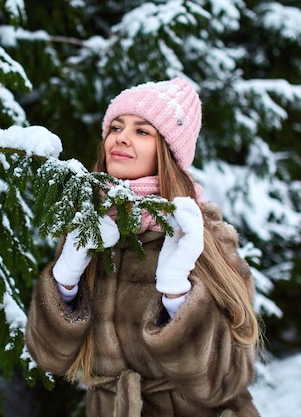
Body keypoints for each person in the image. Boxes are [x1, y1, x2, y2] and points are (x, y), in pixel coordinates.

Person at [25, 78, 261, 417]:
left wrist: (177, 293)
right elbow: (49, 357)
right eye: (116, 127)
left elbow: (222, 382)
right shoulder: (89, 229)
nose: (120, 137)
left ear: (167, 151)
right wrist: (65, 278)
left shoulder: (202, 237)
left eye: (142, 131)